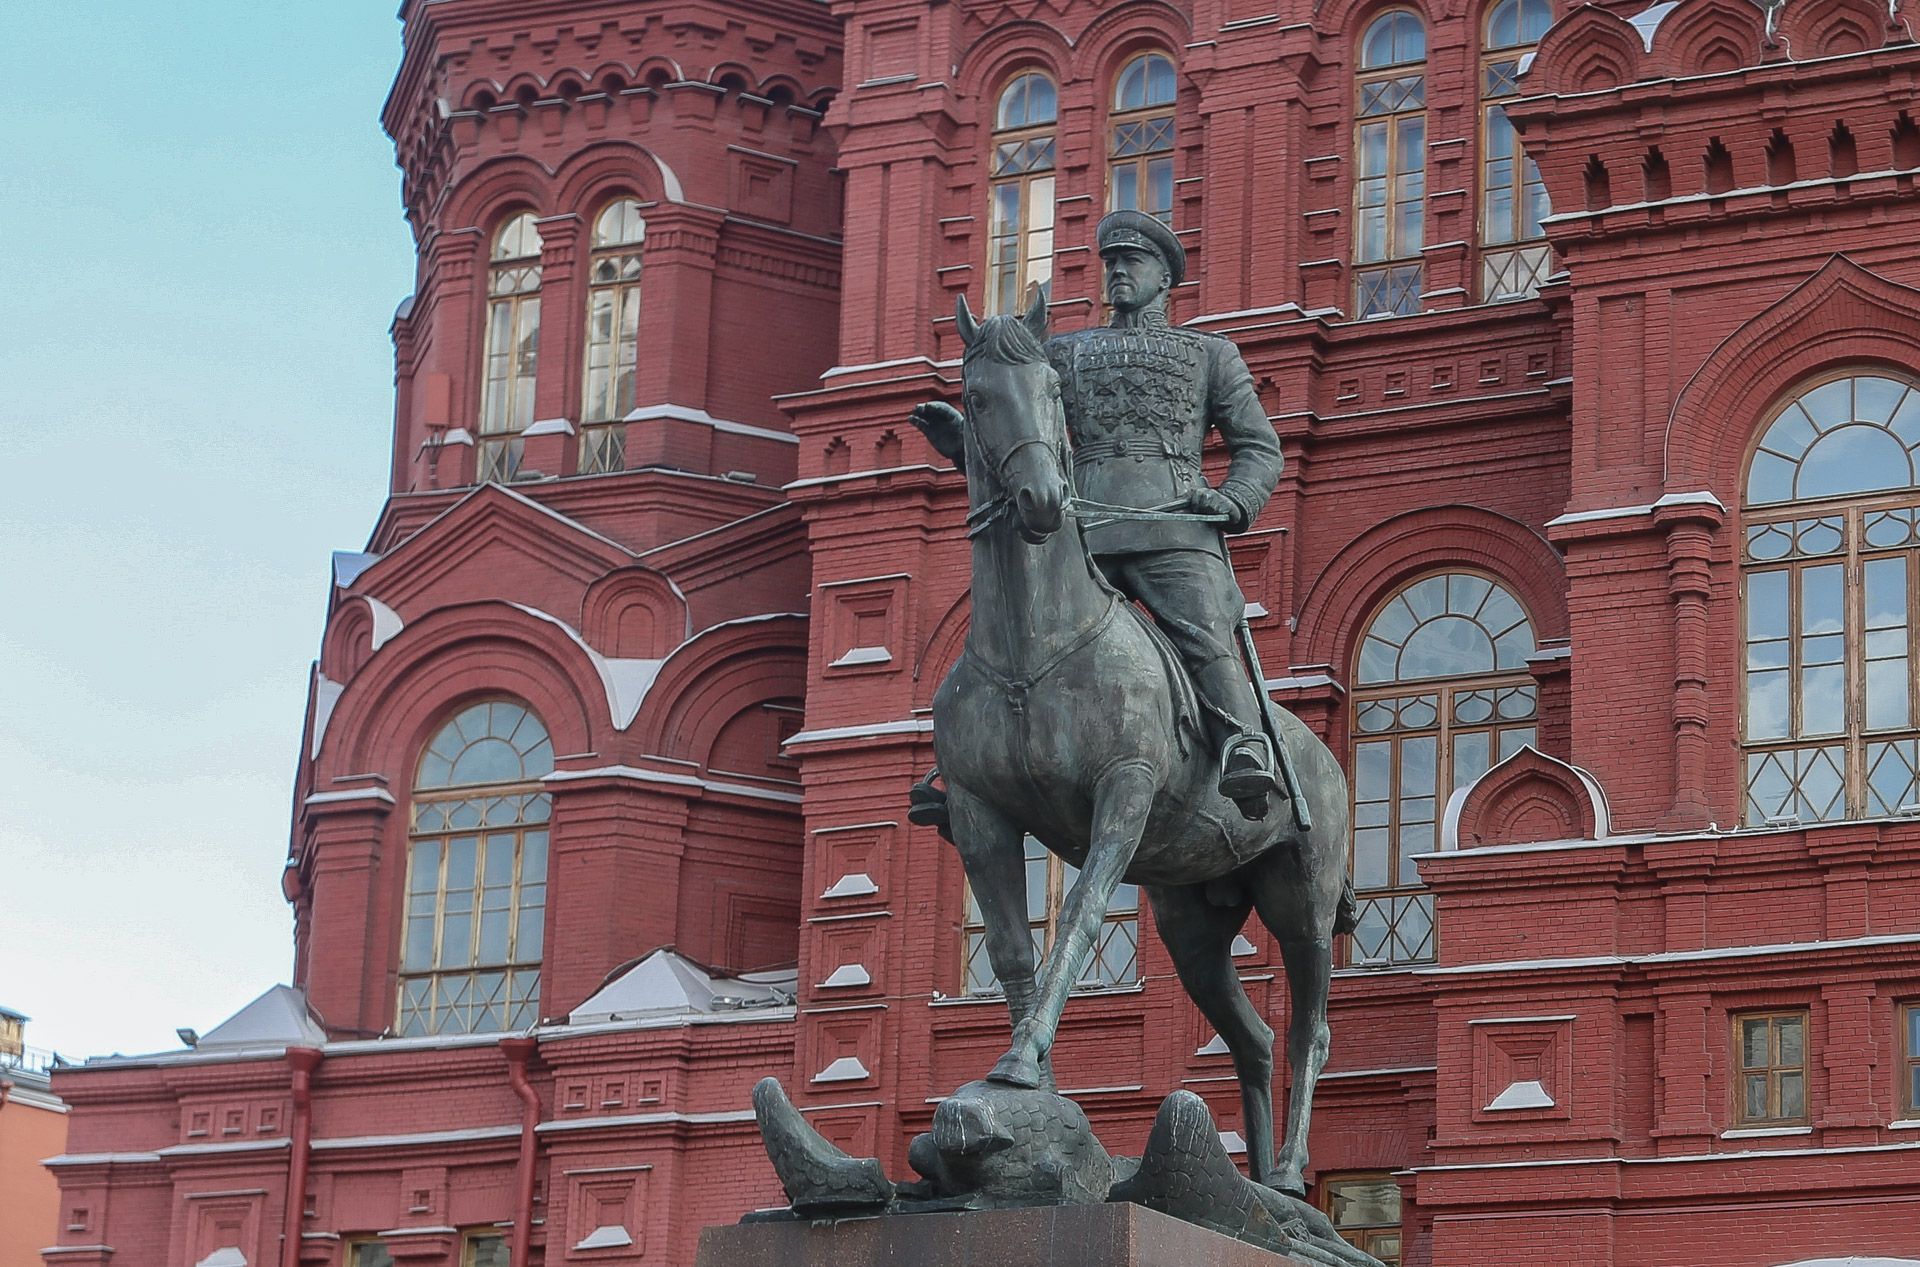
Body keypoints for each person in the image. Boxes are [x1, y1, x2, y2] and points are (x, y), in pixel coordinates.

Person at [913, 209, 1285, 819]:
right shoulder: (1061, 352)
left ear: (1164, 277)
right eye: (1110, 263)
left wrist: (1233, 499)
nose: (1116, 273)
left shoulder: (1208, 355)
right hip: (1079, 532)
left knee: (1203, 631)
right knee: (1013, 630)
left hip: (1175, 530)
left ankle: (1244, 745)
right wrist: (963, 446)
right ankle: (968, 768)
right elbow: (1022, 439)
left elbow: (1258, 447)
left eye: (1130, 263)